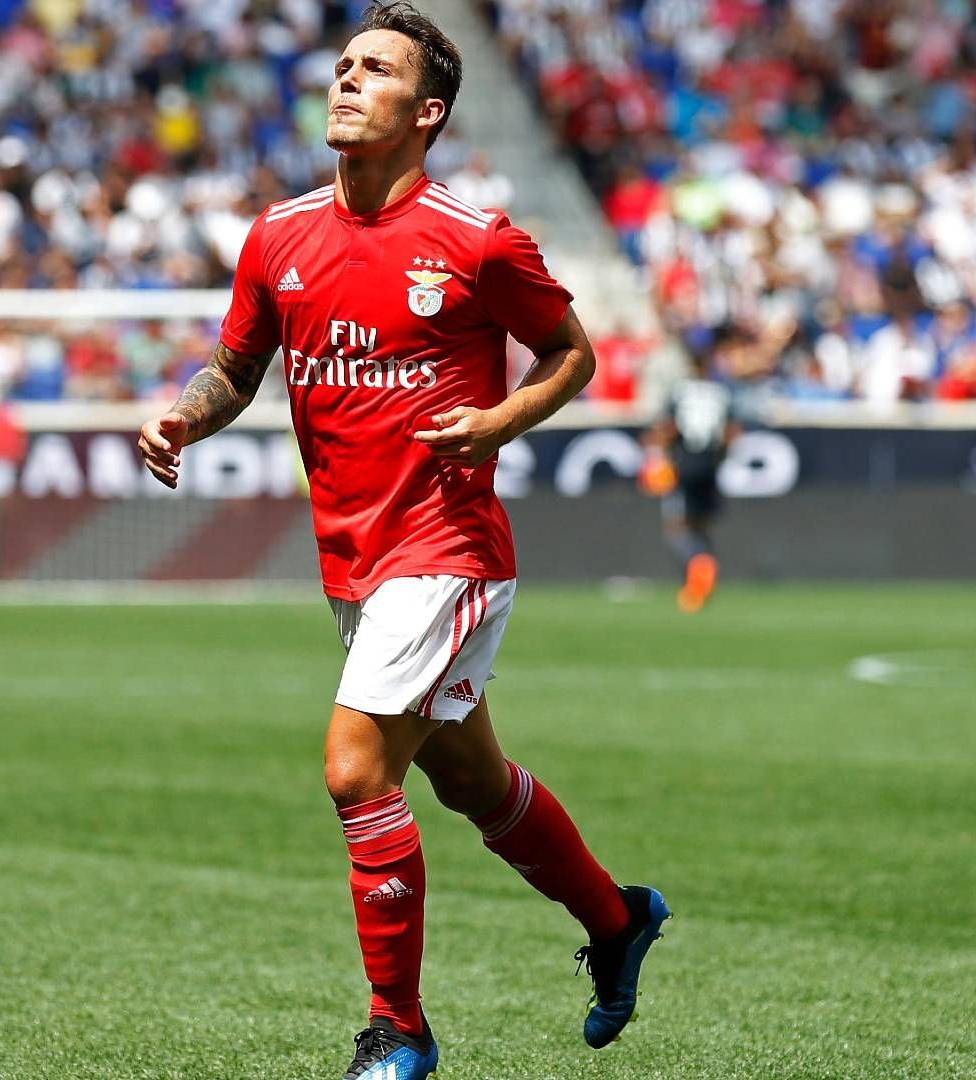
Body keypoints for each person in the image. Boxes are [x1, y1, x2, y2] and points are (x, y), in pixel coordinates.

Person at [136, 6, 667, 1078]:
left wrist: (499, 419)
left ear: (425, 111)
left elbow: (572, 355)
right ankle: (618, 920)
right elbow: (237, 368)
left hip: (450, 548)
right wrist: (187, 414)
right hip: (355, 562)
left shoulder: (475, 241)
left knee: (352, 770)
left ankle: (400, 1031)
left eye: (373, 69)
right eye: (341, 65)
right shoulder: (278, 237)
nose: (344, 79)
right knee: (472, 782)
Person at [640, 344, 741, 613]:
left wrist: (654, 447)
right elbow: (733, 433)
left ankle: (699, 564)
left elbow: (669, 429)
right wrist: (721, 458)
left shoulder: (680, 392)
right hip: (710, 464)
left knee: (677, 527)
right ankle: (697, 582)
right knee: (702, 524)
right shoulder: (723, 393)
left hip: (685, 462)